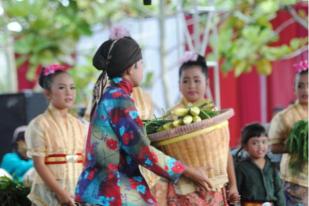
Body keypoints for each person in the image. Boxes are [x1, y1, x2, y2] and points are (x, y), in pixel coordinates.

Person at [74, 27, 212, 206]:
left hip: (102, 188)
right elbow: (142, 151)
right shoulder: (119, 100)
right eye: (141, 63)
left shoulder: (110, 95)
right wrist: (187, 170)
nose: (143, 69)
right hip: (110, 191)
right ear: (132, 68)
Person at [150, 51, 240, 206]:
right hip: (182, 190)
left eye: (197, 80)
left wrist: (233, 185)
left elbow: (225, 151)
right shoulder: (171, 116)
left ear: (207, 82)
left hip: (213, 187)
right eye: (186, 81)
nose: (191, 85)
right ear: (179, 85)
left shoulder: (213, 113)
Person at [25, 64, 87, 206]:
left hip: (76, 194)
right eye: (61, 87)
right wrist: (61, 193)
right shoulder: (39, 124)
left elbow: (84, 161)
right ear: (47, 93)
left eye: (72, 87)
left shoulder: (78, 125)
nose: (69, 92)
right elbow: (39, 164)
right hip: (47, 197)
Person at [269, 60, 308, 206]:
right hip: (295, 180)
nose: (305, 90)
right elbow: (273, 147)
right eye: (300, 86)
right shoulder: (284, 116)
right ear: (294, 89)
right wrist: (298, 144)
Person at [235, 123, 285, 206]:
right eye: (255, 143)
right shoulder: (241, 168)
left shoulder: (272, 166)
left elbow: (279, 191)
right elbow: (236, 193)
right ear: (245, 146)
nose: (260, 146)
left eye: (264, 142)